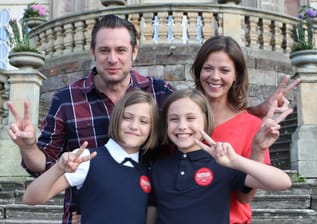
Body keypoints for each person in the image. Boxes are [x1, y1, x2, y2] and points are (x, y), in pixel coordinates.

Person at [7, 14, 298, 223]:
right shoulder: (74, 119)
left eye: (121, 50)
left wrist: (255, 111)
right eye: (104, 50)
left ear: (134, 51)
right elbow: (37, 182)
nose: (113, 58)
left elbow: (194, 106)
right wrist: (37, 152)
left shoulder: (161, 103)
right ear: (92, 52)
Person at [190, 35, 300, 224]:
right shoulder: (180, 120)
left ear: (236, 77)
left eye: (224, 70)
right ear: (199, 70)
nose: (215, 76)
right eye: (208, 68)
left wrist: (258, 150)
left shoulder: (251, 125)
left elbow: (244, 197)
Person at [147, 88, 292, 224]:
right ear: (165, 124)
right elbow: (151, 216)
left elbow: (283, 182)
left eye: (190, 118)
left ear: (205, 121)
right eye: (174, 119)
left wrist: (237, 160)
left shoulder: (222, 163)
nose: (182, 126)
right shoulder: (157, 168)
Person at [23, 90, 159, 223]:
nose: (134, 126)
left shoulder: (148, 171)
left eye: (144, 121)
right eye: (127, 117)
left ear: (152, 129)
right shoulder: (87, 159)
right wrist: (58, 168)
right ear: (116, 119)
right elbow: (31, 197)